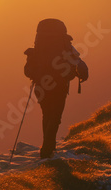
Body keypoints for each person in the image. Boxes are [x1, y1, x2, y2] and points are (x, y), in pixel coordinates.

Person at [24, 19, 88, 159]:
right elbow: (77, 62)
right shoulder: (66, 46)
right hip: (60, 85)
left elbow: (28, 71)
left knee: (46, 114)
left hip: (42, 86)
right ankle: (47, 149)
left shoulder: (38, 49)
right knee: (55, 116)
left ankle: (48, 146)